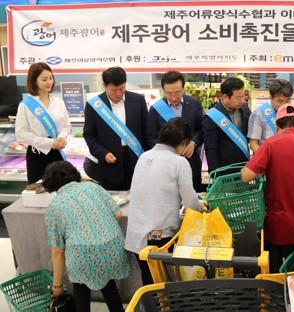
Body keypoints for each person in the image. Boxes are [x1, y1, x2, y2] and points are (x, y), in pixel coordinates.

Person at [241, 103, 294, 273]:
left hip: (279, 228)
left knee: (278, 279)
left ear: (277, 125)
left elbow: (246, 175)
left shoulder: (270, 144)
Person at [43, 161, 134, 312]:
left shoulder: (54, 206)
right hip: (113, 249)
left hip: (82, 256)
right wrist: (103, 236)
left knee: (81, 284)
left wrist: (57, 286)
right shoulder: (94, 187)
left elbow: (58, 251)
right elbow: (117, 213)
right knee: (106, 279)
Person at [126, 117, 202, 286]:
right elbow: (191, 203)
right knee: (162, 283)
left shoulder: (144, 156)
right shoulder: (179, 162)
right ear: (184, 142)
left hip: (136, 234)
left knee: (148, 281)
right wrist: (202, 206)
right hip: (158, 236)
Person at [83, 66, 149, 191]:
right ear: (104, 86)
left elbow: (146, 131)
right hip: (110, 162)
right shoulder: (94, 105)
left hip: (135, 160)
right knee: (113, 200)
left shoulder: (138, 100)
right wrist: (103, 153)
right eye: (114, 90)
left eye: (122, 88)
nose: (118, 93)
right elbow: (89, 135)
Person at [146, 71, 204, 192]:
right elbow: (150, 137)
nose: (174, 97)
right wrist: (167, 151)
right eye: (169, 93)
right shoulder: (155, 109)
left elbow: (201, 129)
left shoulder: (195, 104)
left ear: (183, 88)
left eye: (178, 92)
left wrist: (193, 142)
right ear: (163, 91)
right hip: (165, 165)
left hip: (190, 161)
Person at [15, 62, 70, 184]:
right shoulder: (26, 105)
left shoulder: (59, 102)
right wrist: (49, 143)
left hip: (57, 154)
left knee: (62, 190)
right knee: (38, 193)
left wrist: (62, 137)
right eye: (44, 79)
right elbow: (21, 134)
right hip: (37, 156)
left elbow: (66, 125)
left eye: (51, 78)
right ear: (34, 81)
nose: (49, 82)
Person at [202, 77, 251, 173]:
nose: (242, 101)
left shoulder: (245, 109)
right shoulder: (212, 117)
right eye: (238, 98)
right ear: (225, 97)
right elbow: (211, 149)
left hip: (244, 166)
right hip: (225, 169)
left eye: (243, 96)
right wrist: (215, 174)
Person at [248, 79, 294, 153]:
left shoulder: (293, 112)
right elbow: (253, 143)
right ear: (270, 98)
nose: (285, 104)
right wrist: (265, 158)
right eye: (280, 101)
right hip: (267, 158)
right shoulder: (259, 114)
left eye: (288, 100)